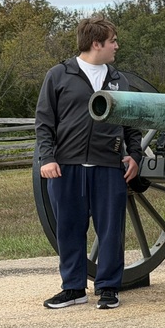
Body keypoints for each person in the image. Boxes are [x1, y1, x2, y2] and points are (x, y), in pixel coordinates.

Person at [36, 16, 141, 310]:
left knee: (110, 230)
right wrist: (47, 158)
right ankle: (73, 289)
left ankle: (108, 288)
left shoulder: (119, 80)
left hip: (108, 165)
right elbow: (45, 122)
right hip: (66, 167)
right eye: (113, 41)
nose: (116, 46)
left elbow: (132, 122)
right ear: (96, 44)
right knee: (68, 228)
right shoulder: (58, 75)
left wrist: (135, 154)